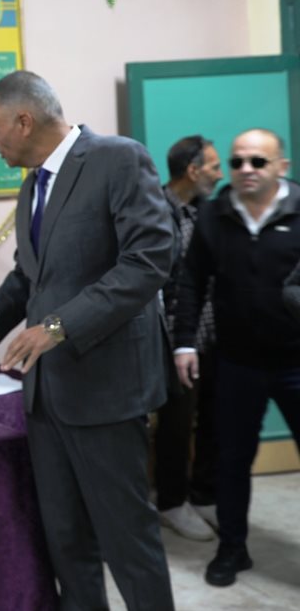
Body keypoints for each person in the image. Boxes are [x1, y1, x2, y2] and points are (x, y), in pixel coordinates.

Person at [0, 70, 175, 611]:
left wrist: (59, 325)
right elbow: (32, 273)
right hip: (47, 395)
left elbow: (148, 261)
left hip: (106, 389)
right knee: (66, 541)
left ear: (25, 121)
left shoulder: (117, 159)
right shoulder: (32, 186)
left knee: (127, 540)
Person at [174, 128, 300, 588]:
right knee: (230, 462)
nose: (246, 169)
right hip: (236, 363)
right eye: (237, 161)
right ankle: (232, 548)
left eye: (258, 162)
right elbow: (191, 282)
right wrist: (184, 343)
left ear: (281, 166)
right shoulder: (214, 215)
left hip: (296, 362)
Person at [155, 135, 223, 541]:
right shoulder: (156, 211)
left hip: (215, 332)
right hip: (173, 338)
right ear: (193, 171)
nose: (220, 173)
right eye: (214, 166)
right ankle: (171, 501)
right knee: (176, 424)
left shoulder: (209, 210)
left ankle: (203, 494)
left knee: (215, 417)